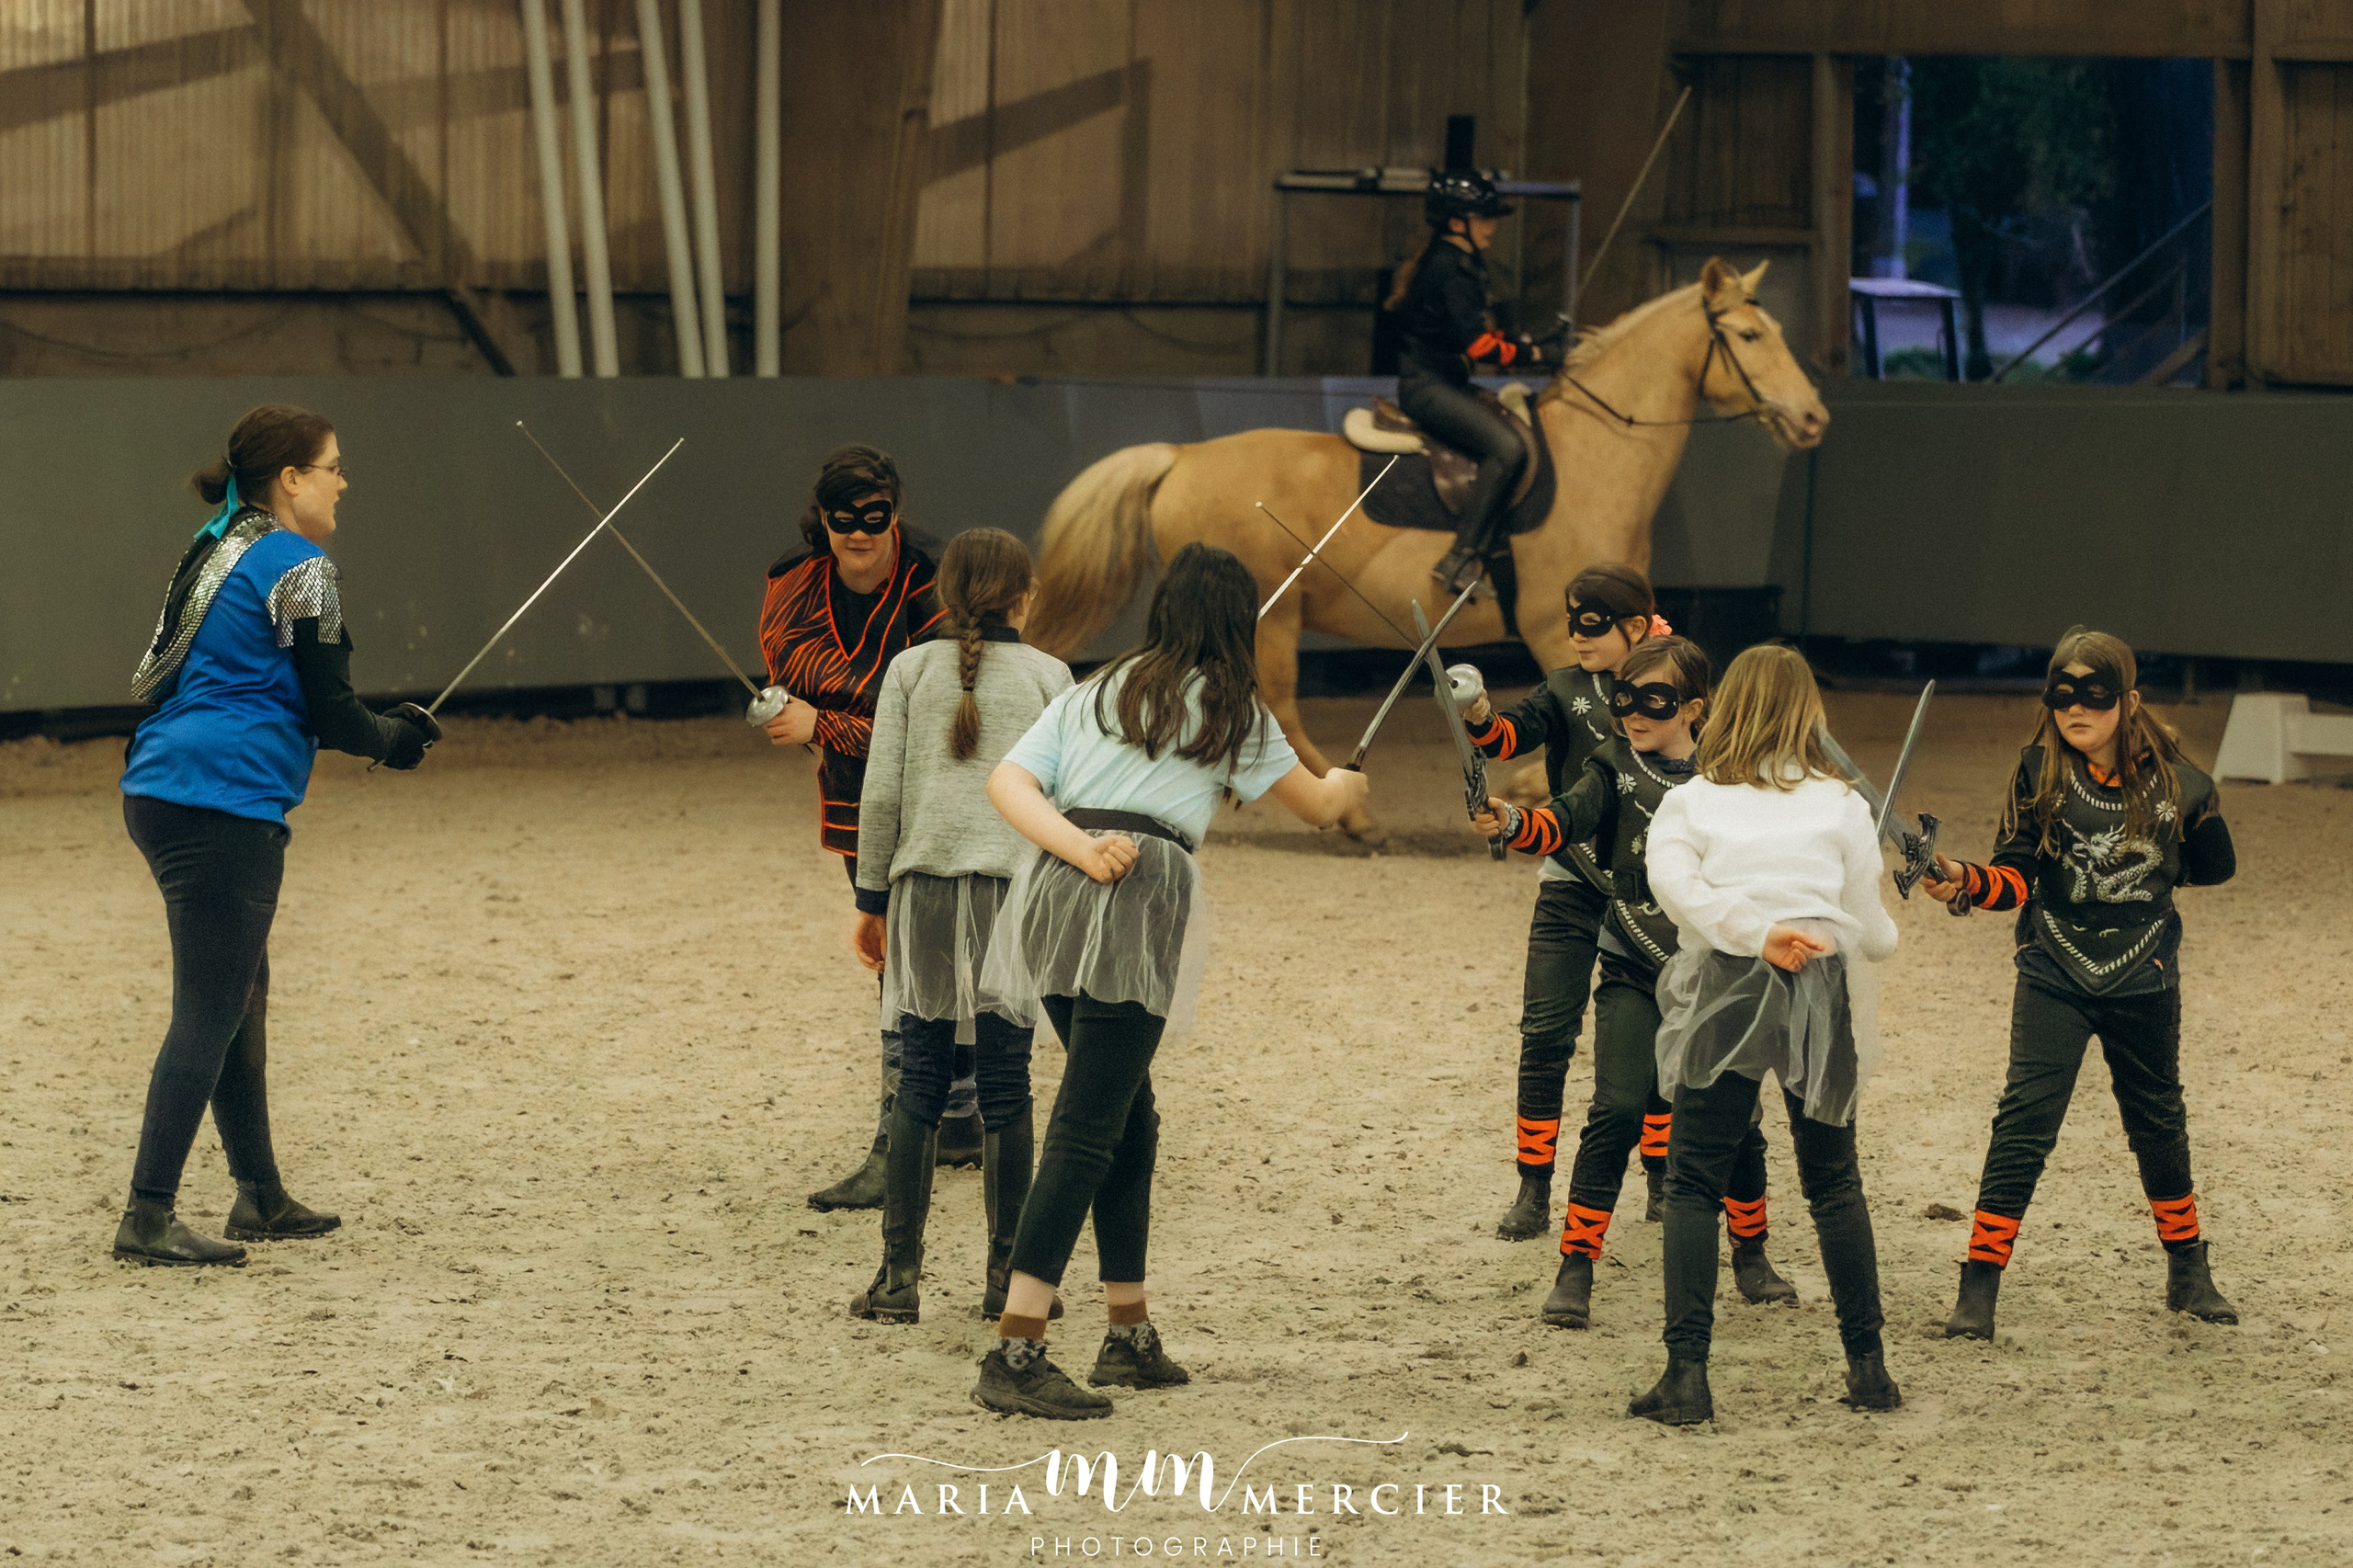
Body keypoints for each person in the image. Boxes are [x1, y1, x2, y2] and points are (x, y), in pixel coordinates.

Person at [968, 543, 1371, 1419]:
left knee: (1128, 1117)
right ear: (1235, 623)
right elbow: (1322, 807)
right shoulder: (1234, 711)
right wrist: (1346, 782)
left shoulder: (1096, 689)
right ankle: (1017, 1347)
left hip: (1051, 900)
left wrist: (1073, 847)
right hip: (1135, 903)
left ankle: (1129, 1331)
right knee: (1087, 1124)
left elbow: (1008, 782)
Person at [115, 403, 438, 1267]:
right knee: (211, 1008)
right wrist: (395, 740)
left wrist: (373, 725)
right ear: (290, 479)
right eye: (332, 465)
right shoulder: (303, 567)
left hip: (162, 787)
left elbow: (162, 674)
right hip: (225, 801)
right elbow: (329, 709)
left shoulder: (217, 547)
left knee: (239, 990)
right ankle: (147, 1215)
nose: (343, 481)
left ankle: (259, 1196)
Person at [1471, 637, 1796, 1329]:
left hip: (1721, 973)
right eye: (1625, 698)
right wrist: (1513, 821)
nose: (1634, 713)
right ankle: (1576, 1265)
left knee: (1737, 1124)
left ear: (1695, 707)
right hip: (1632, 961)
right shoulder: (1612, 765)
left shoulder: (1733, 779)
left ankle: (1751, 1252)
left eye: (1655, 700)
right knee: (1617, 1109)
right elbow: (1567, 820)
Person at [1921, 630, 2238, 1339]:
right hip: (2053, 967)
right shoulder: (2038, 773)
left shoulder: (2184, 784)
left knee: (2157, 1120)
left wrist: (2194, 817)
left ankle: (2189, 1272)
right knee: (2025, 1121)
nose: (2073, 708)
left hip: (2145, 973)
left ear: (2128, 700)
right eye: (2060, 694)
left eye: (2092, 694)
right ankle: (1979, 1284)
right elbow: (2016, 875)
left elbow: (2216, 868)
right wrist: (1965, 882)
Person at [1631, 644, 1900, 1425]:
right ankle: (1869, 1370)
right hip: (1818, 974)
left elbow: (1674, 886)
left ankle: (1687, 1376)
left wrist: (1752, 929)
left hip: (1731, 978)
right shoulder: (1842, 803)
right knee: (1834, 1182)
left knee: (1693, 1182)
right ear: (1807, 709)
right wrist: (1866, 933)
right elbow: (1871, 927)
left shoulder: (1692, 802)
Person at [847, 528, 1074, 1325]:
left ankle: (897, 1278)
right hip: (1016, 890)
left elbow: (881, 799)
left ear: (943, 594)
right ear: (1023, 594)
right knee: (1008, 1085)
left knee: (919, 1078)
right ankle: (1007, 1279)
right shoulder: (1051, 677)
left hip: (926, 891)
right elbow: (1064, 799)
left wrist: (870, 899)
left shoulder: (908, 672)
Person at [757, 446, 982, 1210]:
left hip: (943, 787)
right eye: (843, 519)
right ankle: (950, 1117)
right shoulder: (792, 583)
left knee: (929, 957)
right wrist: (815, 719)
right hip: (857, 799)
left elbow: (935, 707)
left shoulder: (938, 581)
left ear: (897, 511)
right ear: (823, 519)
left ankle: (904, 1141)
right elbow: (796, 671)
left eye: (875, 517)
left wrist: (827, 721)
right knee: (904, 959)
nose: (859, 534)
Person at [1462, 563, 1665, 1243]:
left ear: (1635, 626)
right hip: (1569, 880)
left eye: (1593, 624)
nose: (1577, 638)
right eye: (1572, 620)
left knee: (1661, 1042)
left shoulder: (1676, 685)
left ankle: (1662, 1176)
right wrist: (1478, 712)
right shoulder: (1563, 688)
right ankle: (1533, 1185)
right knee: (1545, 1036)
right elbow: (1507, 739)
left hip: (1652, 892)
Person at [1391, 168, 1549, 593]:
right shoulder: (1451, 270)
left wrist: (1519, 343)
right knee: (1508, 448)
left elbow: (1478, 336)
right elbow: (1478, 347)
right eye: (1485, 217)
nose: (1493, 226)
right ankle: (1460, 557)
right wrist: (1531, 354)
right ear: (1456, 221)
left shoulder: (1455, 263)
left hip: (1446, 380)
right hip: (1429, 387)